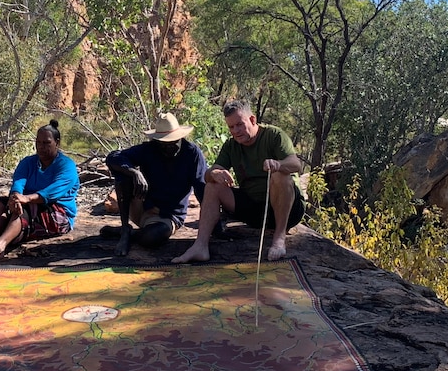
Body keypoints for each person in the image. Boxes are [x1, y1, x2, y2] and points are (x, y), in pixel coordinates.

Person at [172, 99, 305, 264]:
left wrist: (279, 164)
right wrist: (216, 173)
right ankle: (200, 246)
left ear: (252, 120)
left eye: (240, 124)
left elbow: (296, 165)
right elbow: (207, 176)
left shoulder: (274, 135)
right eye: (231, 127)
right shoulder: (230, 145)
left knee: (280, 175)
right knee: (213, 186)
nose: (236, 130)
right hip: (254, 211)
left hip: (288, 210)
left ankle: (279, 239)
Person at [0, 119, 80, 265]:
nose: (41, 147)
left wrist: (26, 199)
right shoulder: (28, 162)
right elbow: (18, 183)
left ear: (57, 143)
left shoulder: (66, 166)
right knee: (0, 204)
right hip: (27, 206)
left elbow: (51, 193)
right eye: (38, 142)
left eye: (46, 143)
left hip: (58, 214)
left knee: (25, 209)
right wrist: (15, 198)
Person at [104, 112, 207, 256]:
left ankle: (129, 233)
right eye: (165, 144)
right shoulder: (148, 149)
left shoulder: (192, 153)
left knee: (153, 237)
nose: (170, 147)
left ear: (181, 138)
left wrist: (213, 227)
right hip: (142, 205)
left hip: (167, 216)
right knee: (123, 175)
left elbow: (201, 188)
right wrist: (134, 172)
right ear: (157, 141)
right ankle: (125, 228)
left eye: (174, 143)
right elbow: (113, 157)